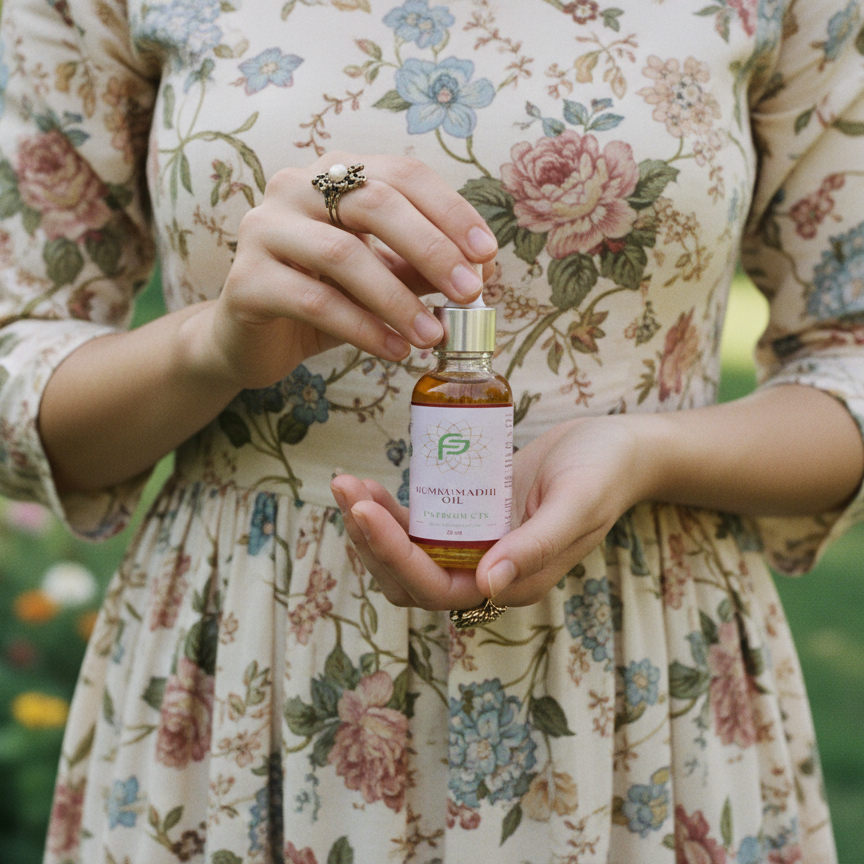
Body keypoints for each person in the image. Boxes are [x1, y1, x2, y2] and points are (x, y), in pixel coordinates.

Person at [0, 0, 862, 861]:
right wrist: (211, 346)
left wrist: (647, 452)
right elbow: (19, 372)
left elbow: (847, 358)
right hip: (250, 663)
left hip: (641, 676)